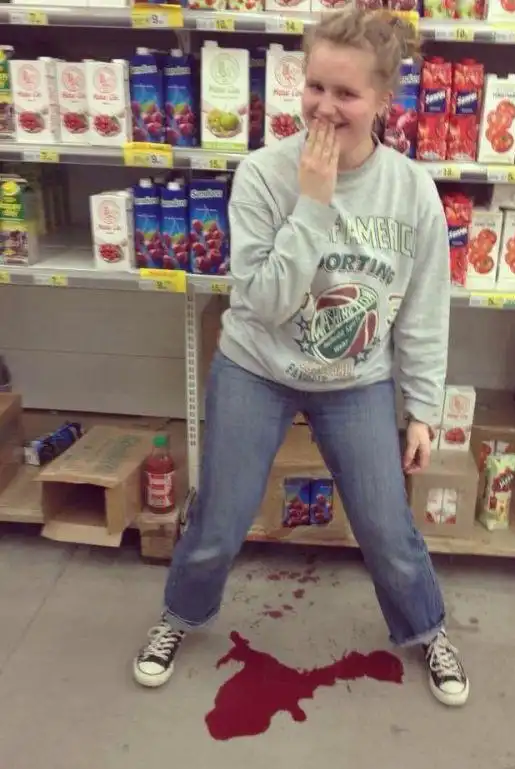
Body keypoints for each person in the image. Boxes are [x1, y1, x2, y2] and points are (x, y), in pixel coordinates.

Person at [133, 8, 469, 708]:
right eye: (315, 86)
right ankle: (179, 614)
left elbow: (424, 308)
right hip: (256, 366)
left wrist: (422, 408)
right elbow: (262, 303)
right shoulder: (263, 175)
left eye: (346, 93)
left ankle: (427, 627)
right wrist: (313, 203)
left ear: (384, 100)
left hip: (356, 379)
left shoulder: (412, 191)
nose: (324, 107)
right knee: (219, 520)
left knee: (386, 526)